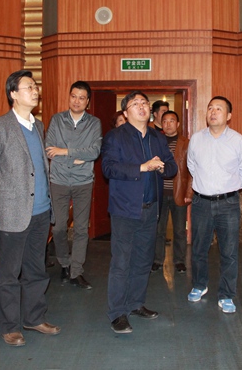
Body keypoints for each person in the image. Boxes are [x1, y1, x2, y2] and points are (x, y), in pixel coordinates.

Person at [0, 70, 60, 347]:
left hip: (41, 212)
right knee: (9, 274)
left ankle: (34, 318)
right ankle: (10, 326)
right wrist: (1, 201)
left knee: (36, 270)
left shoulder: (38, 126)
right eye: (28, 87)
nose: (35, 91)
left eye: (35, 86)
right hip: (11, 214)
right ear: (13, 93)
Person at [101, 90, 178, 333]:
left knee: (143, 261)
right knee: (122, 262)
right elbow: (108, 168)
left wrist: (162, 167)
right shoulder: (115, 136)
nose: (142, 106)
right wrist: (141, 167)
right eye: (135, 103)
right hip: (125, 209)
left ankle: (135, 303)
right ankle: (117, 313)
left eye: (144, 102)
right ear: (126, 112)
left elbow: (172, 167)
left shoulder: (157, 137)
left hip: (151, 208)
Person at [187, 96, 242, 314]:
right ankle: (199, 285)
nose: (213, 112)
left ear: (229, 115)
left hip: (228, 204)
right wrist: (206, 187)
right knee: (198, 248)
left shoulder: (239, 141)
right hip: (201, 203)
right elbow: (192, 166)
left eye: (218, 109)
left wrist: (227, 188)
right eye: (210, 108)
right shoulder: (196, 139)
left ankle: (226, 295)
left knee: (229, 251)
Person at [45, 81, 102, 289]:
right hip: (58, 180)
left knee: (80, 229)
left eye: (81, 98)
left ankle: (76, 271)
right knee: (59, 227)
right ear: (69, 97)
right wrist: (77, 156)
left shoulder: (94, 123)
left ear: (88, 102)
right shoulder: (57, 120)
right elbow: (49, 149)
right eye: (73, 96)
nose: (77, 101)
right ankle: (64, 262)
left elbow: (94, 151)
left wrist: (65, 151)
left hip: (83, 182)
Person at [151, 110, 191, 274]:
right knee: (158, 230)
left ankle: (179, 261)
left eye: (172, 121)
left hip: (179, 193)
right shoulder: (155, 142)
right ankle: (157, 260)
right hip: (159, 193)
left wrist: (189, 193)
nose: (168, 124)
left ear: (178, 124)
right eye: (165, 121)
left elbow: (192, 170)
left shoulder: (186, 143)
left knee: (180, 230)